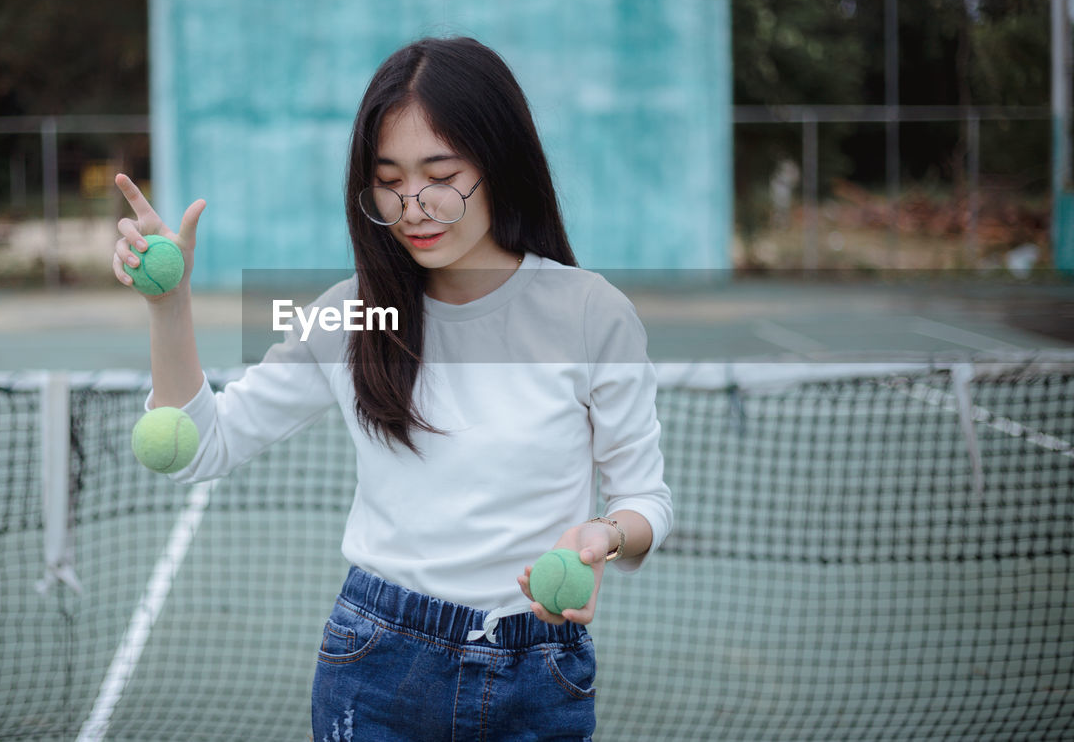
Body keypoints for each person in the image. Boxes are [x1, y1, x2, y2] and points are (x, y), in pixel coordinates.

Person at [111, 36, 672, 740]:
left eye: (440, 174)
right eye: (390, 180)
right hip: (377, 665)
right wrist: (171, 303)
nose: (413, 206)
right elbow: (200, 447)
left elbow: (643, 501)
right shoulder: (354, 313)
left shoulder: (592, 312)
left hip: (540, 669)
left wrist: (606, 534)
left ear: (499, 162)